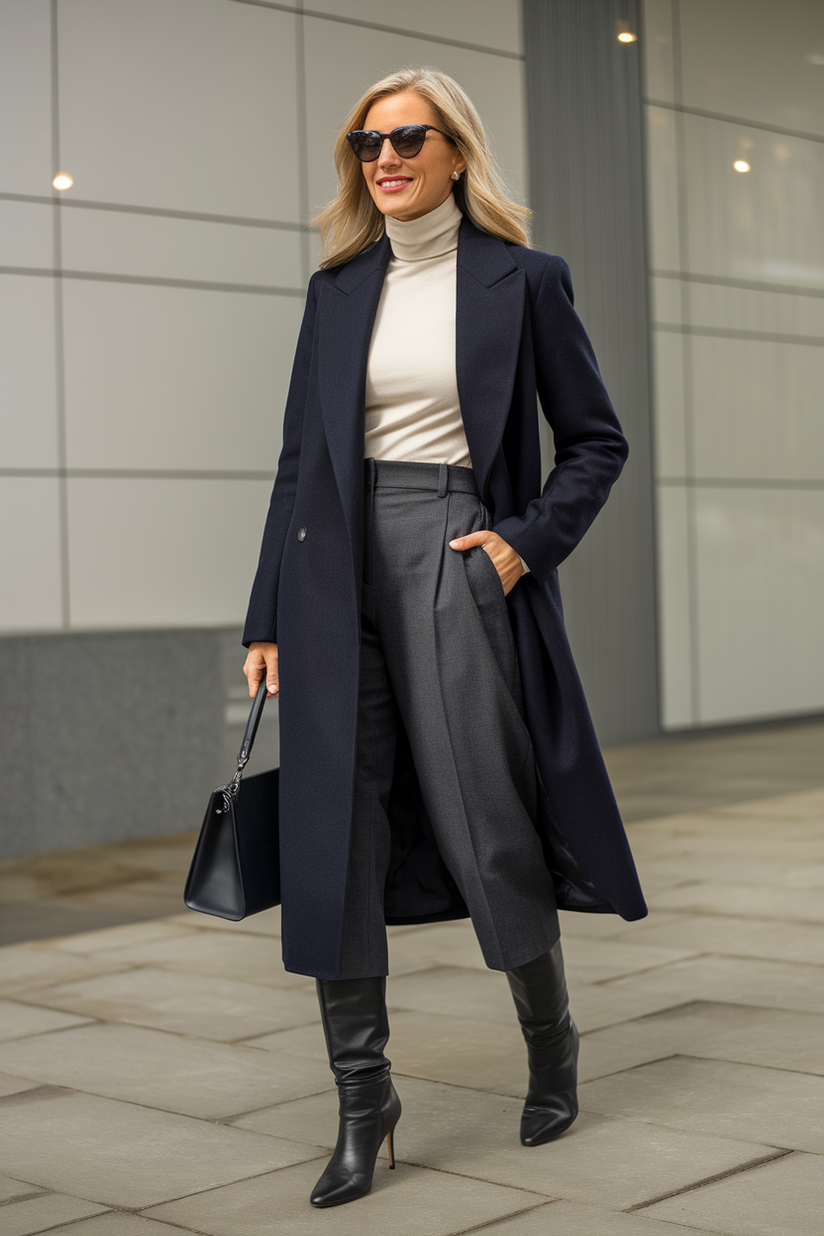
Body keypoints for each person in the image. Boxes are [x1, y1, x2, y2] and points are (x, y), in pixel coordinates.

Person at [242, 66, 646, 1208]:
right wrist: (265, 614)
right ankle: (363, 1107)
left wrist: (523, 542)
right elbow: (295, 464)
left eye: (408, 138)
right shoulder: (333, 288)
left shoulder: (524, 281)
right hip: (330, 571)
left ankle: (550, 1045)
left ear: (455, 152)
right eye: (367, 144)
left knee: (482, 811)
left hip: (454, 547)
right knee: (334, 834)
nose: (384, 158)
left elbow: (595, 442)